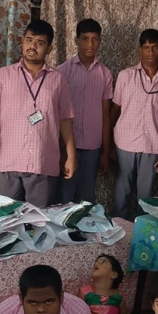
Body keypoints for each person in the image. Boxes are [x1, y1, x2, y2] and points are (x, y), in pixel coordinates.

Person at [0, 20, 76, 208]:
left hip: (43, 162)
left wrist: (71, 157)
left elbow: (65, 121)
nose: (33, 46)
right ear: (22, 41)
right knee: (4, 219)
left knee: (39, 220)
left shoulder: (58, 80)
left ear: (49, 48)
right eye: (29, 40)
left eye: (40, 43)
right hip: (7, 162)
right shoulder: (1, 76)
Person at [112, 29, 158, 220]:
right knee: (122, 193)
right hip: (125, 143)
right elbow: (114, 111)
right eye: (146, 47)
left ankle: (142, 232)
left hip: (152, 145)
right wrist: (108, 144)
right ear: (140, 50)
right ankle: (119, 231)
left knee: (146, 197)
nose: (150, 52)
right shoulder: (126, 76)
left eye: (155, 47)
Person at [57, 18, 114, 204]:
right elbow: (56, 112)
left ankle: (86, 224)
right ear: (76, 40)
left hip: (92, 145)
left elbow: (106, 114)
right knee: (64, 195)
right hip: (66, 144)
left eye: (95, 39)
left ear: (100, 41)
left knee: (87, 196)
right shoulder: (61, 72)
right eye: (85, 39)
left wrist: (105, 150)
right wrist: (58, 145)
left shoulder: (105, 74)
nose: (90, 44)